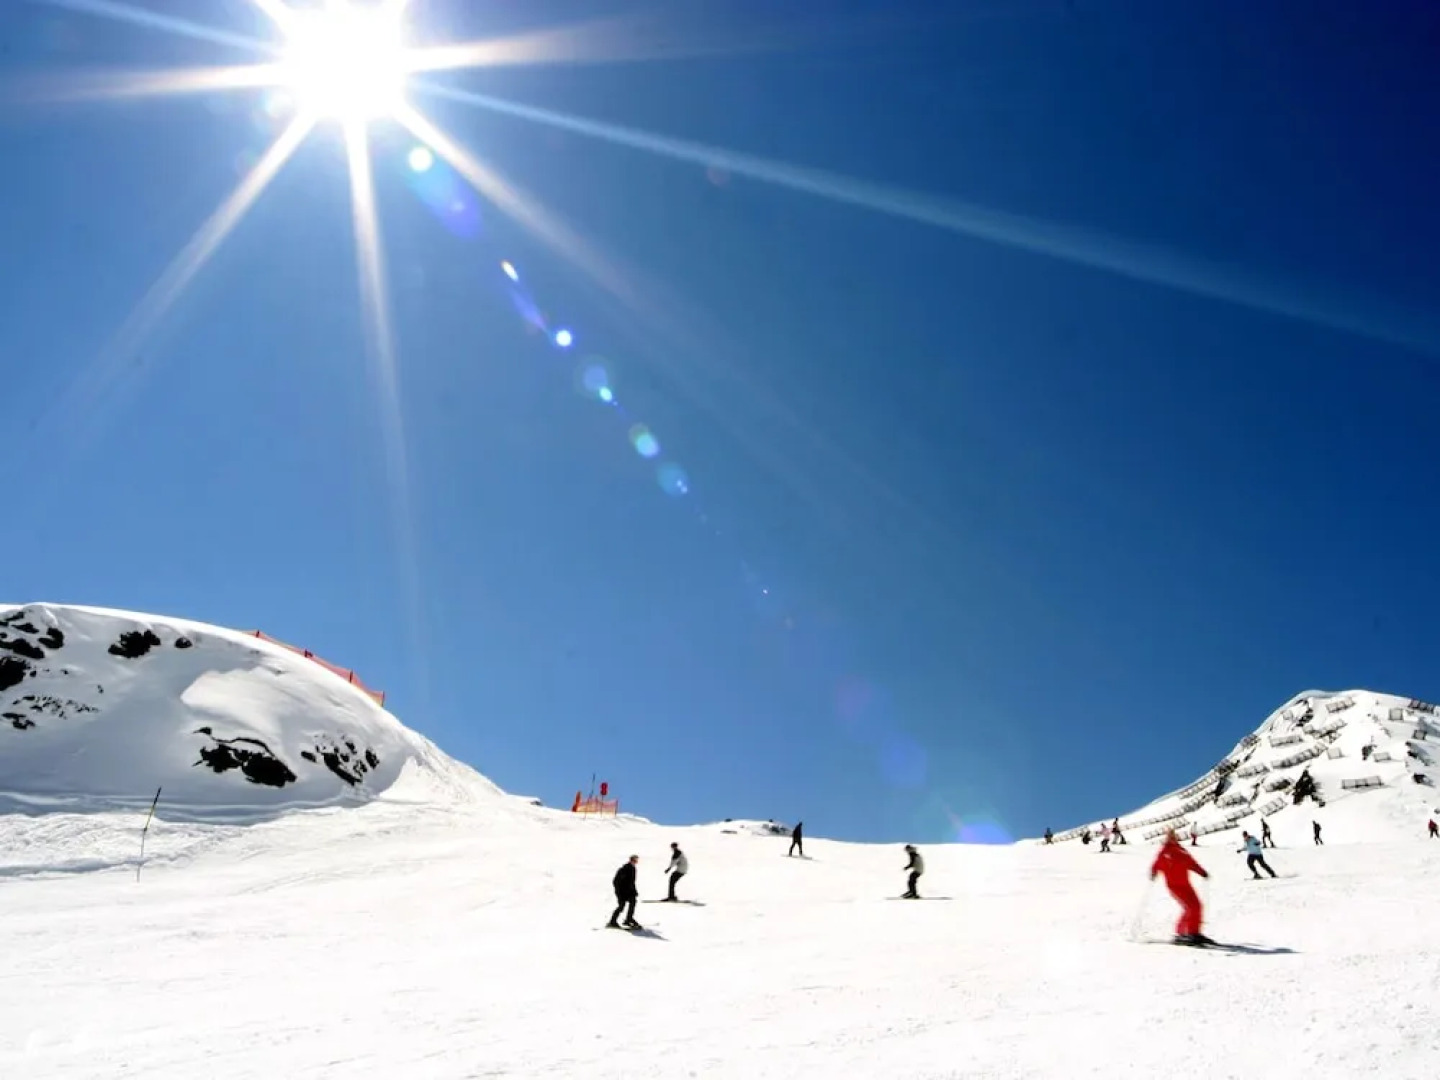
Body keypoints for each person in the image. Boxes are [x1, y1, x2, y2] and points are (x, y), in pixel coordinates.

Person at [1151, 828, 1211, 945]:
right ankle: (1184, 933)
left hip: (1186, 884)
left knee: (1197, 906)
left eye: (1173, 836)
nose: (1172, 838)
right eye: (1170, 836)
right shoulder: (1164, 852)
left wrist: (1201, 872)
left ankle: (1193, 933)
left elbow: (1191, 863)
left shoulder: (1181, 850)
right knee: (1191, 907)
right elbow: (1157, 864)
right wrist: (1153, 872)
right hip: (1175, 886)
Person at [607, 855, 641, 929]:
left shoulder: (633, 868)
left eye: (637, 860)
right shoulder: (625, 869)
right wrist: (620, 891)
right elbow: (616, 881)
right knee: (621, 906)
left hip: (629, 892)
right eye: (635, 860)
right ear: (631, 860)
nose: (636, 862)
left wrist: (634, 891)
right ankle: (612, 921)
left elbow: (631, 882)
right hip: (621, 892)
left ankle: (629, 919)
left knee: (633, 902)